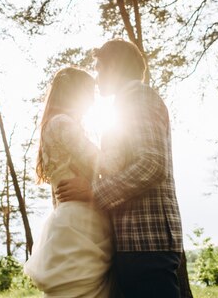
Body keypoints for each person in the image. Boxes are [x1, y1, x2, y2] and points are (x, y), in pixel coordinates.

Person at [56, 39, 183, 298]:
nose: (97, 76)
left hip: (148, 240)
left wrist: (93, 191)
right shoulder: (126, 101)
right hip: (135, 241)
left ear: (114, 66)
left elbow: (152, 164)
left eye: (100, 68)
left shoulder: (139, 96)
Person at [24, 67, 113, 298]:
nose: (93, 101)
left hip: (69, 216)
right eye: (89, 93)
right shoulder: (63, 123)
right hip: (81, 221)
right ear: (76, 93)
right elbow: (103, 163)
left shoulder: (52, 125)